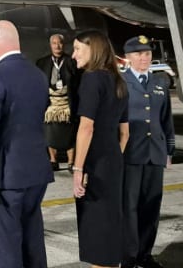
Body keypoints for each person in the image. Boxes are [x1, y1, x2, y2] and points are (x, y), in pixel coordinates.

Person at [0, 20, 53, 268]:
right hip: (36, 171)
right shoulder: (38, 75)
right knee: (32, 239)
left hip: (6, 176)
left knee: (5, 245)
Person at [70, 30, 129, 268]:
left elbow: (86, 128)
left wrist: (78, 168)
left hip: (93, 165)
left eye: (77, 50)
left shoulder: (92, 79)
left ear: (92, 50)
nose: (73, 56)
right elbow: (125, 134)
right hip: (113, 161)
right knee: (109, 231)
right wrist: (111, 158)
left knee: (96, 235)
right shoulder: (119, 81)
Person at [121, 36, 174, 268]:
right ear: (129, 57)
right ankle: (129, 256)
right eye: (139, 54)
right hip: (130, 153)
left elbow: (166, 119)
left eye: (148, 54)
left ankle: (145, 254)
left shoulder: (159, 82)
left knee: (152, 204)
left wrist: (169, 150)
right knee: (129, 206)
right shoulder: (120, 82)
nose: (144, 58)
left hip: (155, 152)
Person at [36, 32, 79, 171]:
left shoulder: (72, 62)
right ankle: (53, 160)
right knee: (50, 132)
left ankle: (71, 162)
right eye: (54, 43)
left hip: (67, 102)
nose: (57, 46)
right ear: (50, 45)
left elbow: (78, 83)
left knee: (70, 133)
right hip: (51, 104)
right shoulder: (42, 63)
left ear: (64, 44)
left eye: (60, 43)